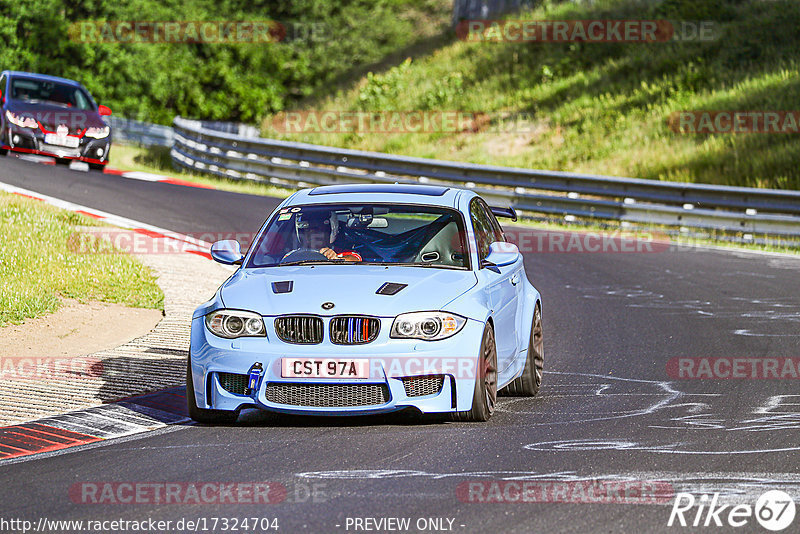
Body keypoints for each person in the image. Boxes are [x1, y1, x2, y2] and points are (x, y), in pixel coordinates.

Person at [293, 210, 361, 261]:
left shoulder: (343, 253)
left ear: (330, 231)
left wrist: (337, 259)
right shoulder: (294, 255)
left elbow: (355, 259)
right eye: (308, 230)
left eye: (317, 230)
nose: (312, 234)